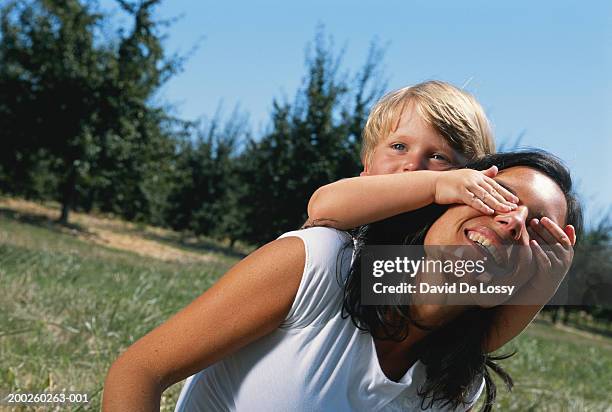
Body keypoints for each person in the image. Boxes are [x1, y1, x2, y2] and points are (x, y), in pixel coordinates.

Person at [102, 150, 582, 411]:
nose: (512, 220)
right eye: (498, 195)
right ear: (448, 198)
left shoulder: (455, 383)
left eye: (538, 230)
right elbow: (138, 372)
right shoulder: (317, 264)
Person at [307, 81, 576, 351]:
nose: (413, 166)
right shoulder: (340, 236)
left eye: (438, 157)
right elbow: (321, 207)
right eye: (399, 146)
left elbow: (479, 342)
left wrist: (543, 286)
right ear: (367, 165)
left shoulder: (447, 251)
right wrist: (435, 185)